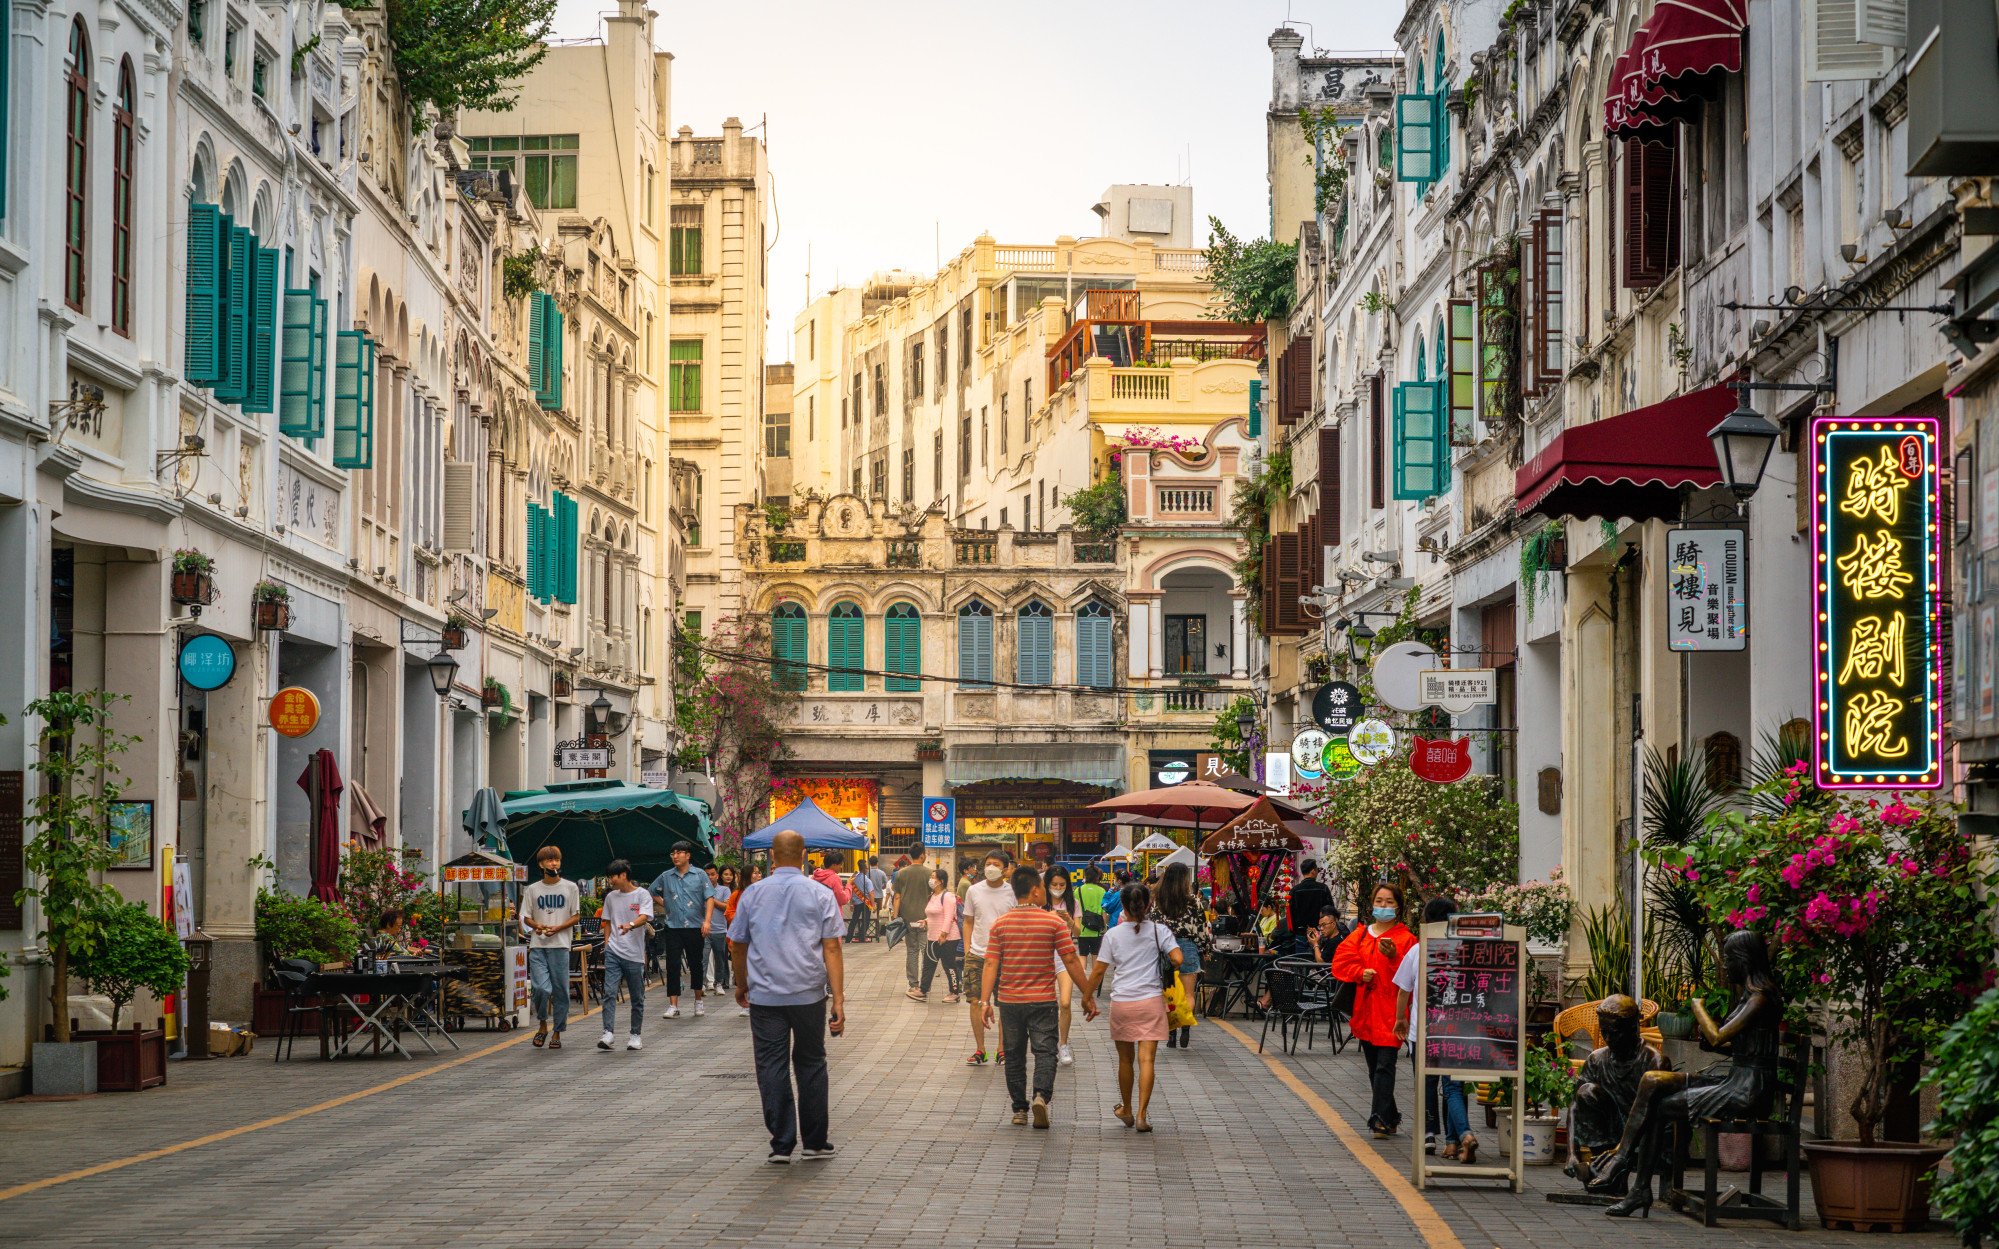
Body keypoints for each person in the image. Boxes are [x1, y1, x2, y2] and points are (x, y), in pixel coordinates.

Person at [1587, 930, 1784, 1218]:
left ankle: (1632, 1176)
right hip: (1736, 1079)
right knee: (1653, 1080)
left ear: (1744, 960)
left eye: (1729, 960)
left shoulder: (1760, 998)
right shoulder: (1748, 997)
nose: (1725, 966)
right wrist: (1713, 1041)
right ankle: (1626, 1165)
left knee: (1662, 1105)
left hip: (1748, 1089)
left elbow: (1718, 1037)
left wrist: (1698, 1008)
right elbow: (1738, 1047)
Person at [728, 829, 847, 1165]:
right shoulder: (820, 893)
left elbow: (738, 943)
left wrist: (742, 984)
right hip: (809, 994)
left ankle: (781, 1143)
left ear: (772, 856)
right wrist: (838, 999)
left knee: (771, 1065)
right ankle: (815, 1141)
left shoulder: (753, 894)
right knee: (811, 1062)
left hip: (765, 995)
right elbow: (832, 947)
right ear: (804, 854)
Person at [979, 866, 1097, 1127]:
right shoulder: (1053, 922)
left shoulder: (1000, 924)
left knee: (1014, 1054)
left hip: (1009, 1001)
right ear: (1034, 891)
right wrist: (1087, 995)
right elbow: (1070, 959)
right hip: (1042, 1000)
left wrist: (985, 1001)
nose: (1047, 891)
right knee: (1045, 1052)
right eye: (1044, 887)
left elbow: (990, 964)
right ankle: (1041, 1096)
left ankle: (1019, 1110)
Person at [1084, 881, 1181, 1132]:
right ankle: (1141, 1116)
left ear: (1123, 907)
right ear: (1149, 904)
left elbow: (1098, 971)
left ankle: (1125, 1109)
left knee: (1125, 1061)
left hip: (1123, 1003)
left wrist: (1087, 997)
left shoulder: (1113, 935)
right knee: (1147, 1060)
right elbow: (1178, 958)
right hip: (1150, 1001)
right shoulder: (1160, 931)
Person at [1393, 896, 1476, 1161]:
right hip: (1459, 1032)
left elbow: (1403, 990)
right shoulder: (1467, 949)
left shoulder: (1419, 949)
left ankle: (1430, 1135)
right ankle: (1455, 1141)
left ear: (1427, 921)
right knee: (1454, 1087)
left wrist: (1400, 1019)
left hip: (1425, 1032)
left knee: (1427, 1084)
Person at [1332, 881, 1417, 1136]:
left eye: (1389, 902)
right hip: (1367, 1009)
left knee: (1384, 1065)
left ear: (1398, 908)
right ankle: (1390, 1117)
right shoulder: (1360, 934)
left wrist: (1392, 957)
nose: (1383, 906)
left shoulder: (1407, 939)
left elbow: (1409, 975)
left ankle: (1379, 1118)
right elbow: (1342, 961)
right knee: (1373, 1066)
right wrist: (1361, 973)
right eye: (1379, 901)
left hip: (1393, 1011)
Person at [519, 845, 580, 1049]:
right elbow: (526, 917)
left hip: (561, 945)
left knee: (561, 991)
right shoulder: (533, 889)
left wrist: (559, 927)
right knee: (540, 988)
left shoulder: (571, 887)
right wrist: (537, 925)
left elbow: (576, 915)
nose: (554, 863)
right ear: (541, 864)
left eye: (557, 860)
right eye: (549, 860)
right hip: (538, 945)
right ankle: (543, 1025)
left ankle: (557, 1033)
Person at [960, 851, 1018, 1066]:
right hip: (977, 954)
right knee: (975, 1001)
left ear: (1005, 869)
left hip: (1006, 956)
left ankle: (1002, 1050)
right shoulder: (974, 891)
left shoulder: (1012, 892)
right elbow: (968, 921)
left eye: (996, 864)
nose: (990, 867)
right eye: (988, 863)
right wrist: (967, 950)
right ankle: (980, 1049)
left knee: (1004, 1003)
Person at [649, 841, 716, 1019]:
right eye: (673, 853)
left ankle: (698, 1001)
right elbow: (652, 891)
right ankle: (673, 1005)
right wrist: (666, 904)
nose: (675, 856)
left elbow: (709, 898)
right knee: (672, 965)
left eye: (679, 852)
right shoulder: (666, 876)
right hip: (673, 927)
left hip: (695, 926)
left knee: (695, 964)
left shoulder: (700, 875)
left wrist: (707, 921)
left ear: (688, 855)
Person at [598, 859, 654, 1051]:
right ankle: (608, 1033)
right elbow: (606, 922)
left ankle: (635, 1035)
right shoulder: (611, 897)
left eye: (613, 876)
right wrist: (607, 944)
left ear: (623, 875)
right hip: (613, 950)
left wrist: (629, 925)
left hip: (634, 954)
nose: (610, 880)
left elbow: (644, 917)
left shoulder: (642, 894)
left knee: (637, 997)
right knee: (609, 992)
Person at [1155, 862, 1210, 1049]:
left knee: (1169, 993)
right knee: (1188, 993)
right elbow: (1201, 928)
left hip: (1165, 948)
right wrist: (1205, 950)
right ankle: (1185, 1027)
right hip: (1187, 946)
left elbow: (1152, 925)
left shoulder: (1159, 899)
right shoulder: (1193, 900)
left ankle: (1171, 1034)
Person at [1043, 866, 1084, 1066]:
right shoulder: (1040, 903)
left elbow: (1078, 933)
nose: (1058, 888)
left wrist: (1069, 921)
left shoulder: (1072, 903)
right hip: (1042, 956)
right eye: (1054, 884)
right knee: (1044, 1004)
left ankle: (1063, 1043)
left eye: (1062, 884)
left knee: (1065, 1002)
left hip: (1064, 956)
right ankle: (1044, 1044)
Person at [890, 845, 934, 999]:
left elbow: (897, 896)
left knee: (912, 951)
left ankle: (913, 984)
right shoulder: (930, 874)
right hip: (926, 919)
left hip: (908, 919)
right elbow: (934, 896)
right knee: (926, 951)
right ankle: (924, 985)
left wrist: (896, 917)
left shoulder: (901, 873)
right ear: (922, 855)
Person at [921, 868, 962, 1001]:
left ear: (941, 881)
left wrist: (943, 934)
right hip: (932, 936)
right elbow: (934, 915)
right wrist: (925, 921)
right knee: (928, 964)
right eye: (931, 877)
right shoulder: (932, 896)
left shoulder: (948, 897)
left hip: (948, 938)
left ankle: (954, 992)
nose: (931, 880)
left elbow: (949, 917)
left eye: (933, 877)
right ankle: (923, 990)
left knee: (949, 965)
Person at [1287, 859, 1335, 953]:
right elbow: (1330, 911)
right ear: (1313, 871)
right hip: (1320, 933)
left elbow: (1290, 915)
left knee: (1301, 962)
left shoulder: (1294, 890)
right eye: (1317, 869)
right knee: (1319, 963)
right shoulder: (1323, 888)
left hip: (1301, 933)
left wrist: (1297, 931)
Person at [708, 866, 737, 992]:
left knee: (727, 955)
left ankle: (728, 979)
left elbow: (727, 907)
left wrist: (711, 900)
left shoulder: (733, 890)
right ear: (720, 875)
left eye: (731, 874)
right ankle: (718, 981)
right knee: (720, 955)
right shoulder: (713, 889)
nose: (728, 876)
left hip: (730, 925)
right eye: (725, 874)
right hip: (716, 927)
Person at [1075, 865, 1108, 975]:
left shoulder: (1078, 890)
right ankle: (1094, 983)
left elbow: (1075, 911)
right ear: (1097, 877)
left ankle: (1083, 980)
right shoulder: (1102, 891)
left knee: (1082, 955)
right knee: (1095, 955)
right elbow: (1104, 911)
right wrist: (1104, 927)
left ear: (1085, 876)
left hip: (1082, 929)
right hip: (1097, 929)